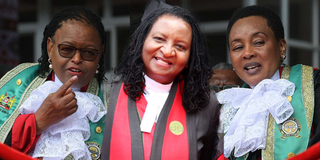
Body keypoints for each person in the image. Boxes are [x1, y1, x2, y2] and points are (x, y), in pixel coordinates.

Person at [101, 5, 221, 160]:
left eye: (180, 46)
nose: (167, 51)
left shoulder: (206, 104)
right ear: (141, 42)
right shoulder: (107, 95)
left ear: (189, 59)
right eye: (159, 39)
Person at [0, 6, 108, 160]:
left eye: (88, 52)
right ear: (50, 47)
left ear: (100, 54)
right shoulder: (22, 80)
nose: (77, 59)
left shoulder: (111, 98)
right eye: (67, 49)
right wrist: (38, 121)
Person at [218, 5, 320, 160]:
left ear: (281, 47)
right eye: (238, 47)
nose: (247, 53)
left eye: (258, 42)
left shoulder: (313, 84)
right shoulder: (232, 108)